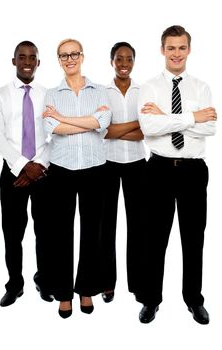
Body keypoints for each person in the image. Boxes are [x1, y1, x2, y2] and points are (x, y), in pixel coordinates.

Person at [136, 25, 217, 324]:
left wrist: (167, 118)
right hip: (158, 169)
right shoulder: (149, 87)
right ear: (162, 50)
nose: (176, 53)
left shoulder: (201, 87)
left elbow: (211, 128)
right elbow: (149, 128)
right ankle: (150, 300)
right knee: (154, 239)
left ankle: (194, 300)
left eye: (181, 47)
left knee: (193, 239)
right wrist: (192, 118)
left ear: (189, 50)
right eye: (171, 48)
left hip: (193, 171)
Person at [42, 38, 111, 318]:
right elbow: (53, 127)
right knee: (61, 234)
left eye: (73, 54)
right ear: (59, 60)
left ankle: (86, 289)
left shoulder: (100, 91)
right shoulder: (52, 94)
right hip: (61, 170)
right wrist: (85, 121)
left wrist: (65, 118)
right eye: (63, 56)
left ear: (82, 56)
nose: (69, 59)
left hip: (95, 169)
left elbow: (102, 123)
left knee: (92, 233)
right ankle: (63, 293)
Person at [0, 41, 53, 307]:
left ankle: (44, 279)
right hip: (14, 171)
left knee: (46, 231)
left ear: (38, 62)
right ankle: (15, 284)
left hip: (44, 171)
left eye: (32, 57)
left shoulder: (49, 95)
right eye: (22, 57)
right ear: (13, 61)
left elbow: (54, 134)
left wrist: (39, 165)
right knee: (12, 232)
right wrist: (23, 166)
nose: (27, 61)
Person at [100, 42, 146, 303]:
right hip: (107, 163)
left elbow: (147, 131)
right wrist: (135, 125)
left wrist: (121, 128)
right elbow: (103, 131)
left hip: (138, 164)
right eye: (119, 58)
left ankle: (138, 283)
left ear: (134, 62)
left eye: (129, 58)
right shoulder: (102, 92)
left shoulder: (143, 91)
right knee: (106, 225)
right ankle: (107, 282)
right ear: (112, 61)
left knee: (139, 226)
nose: (124, 63)